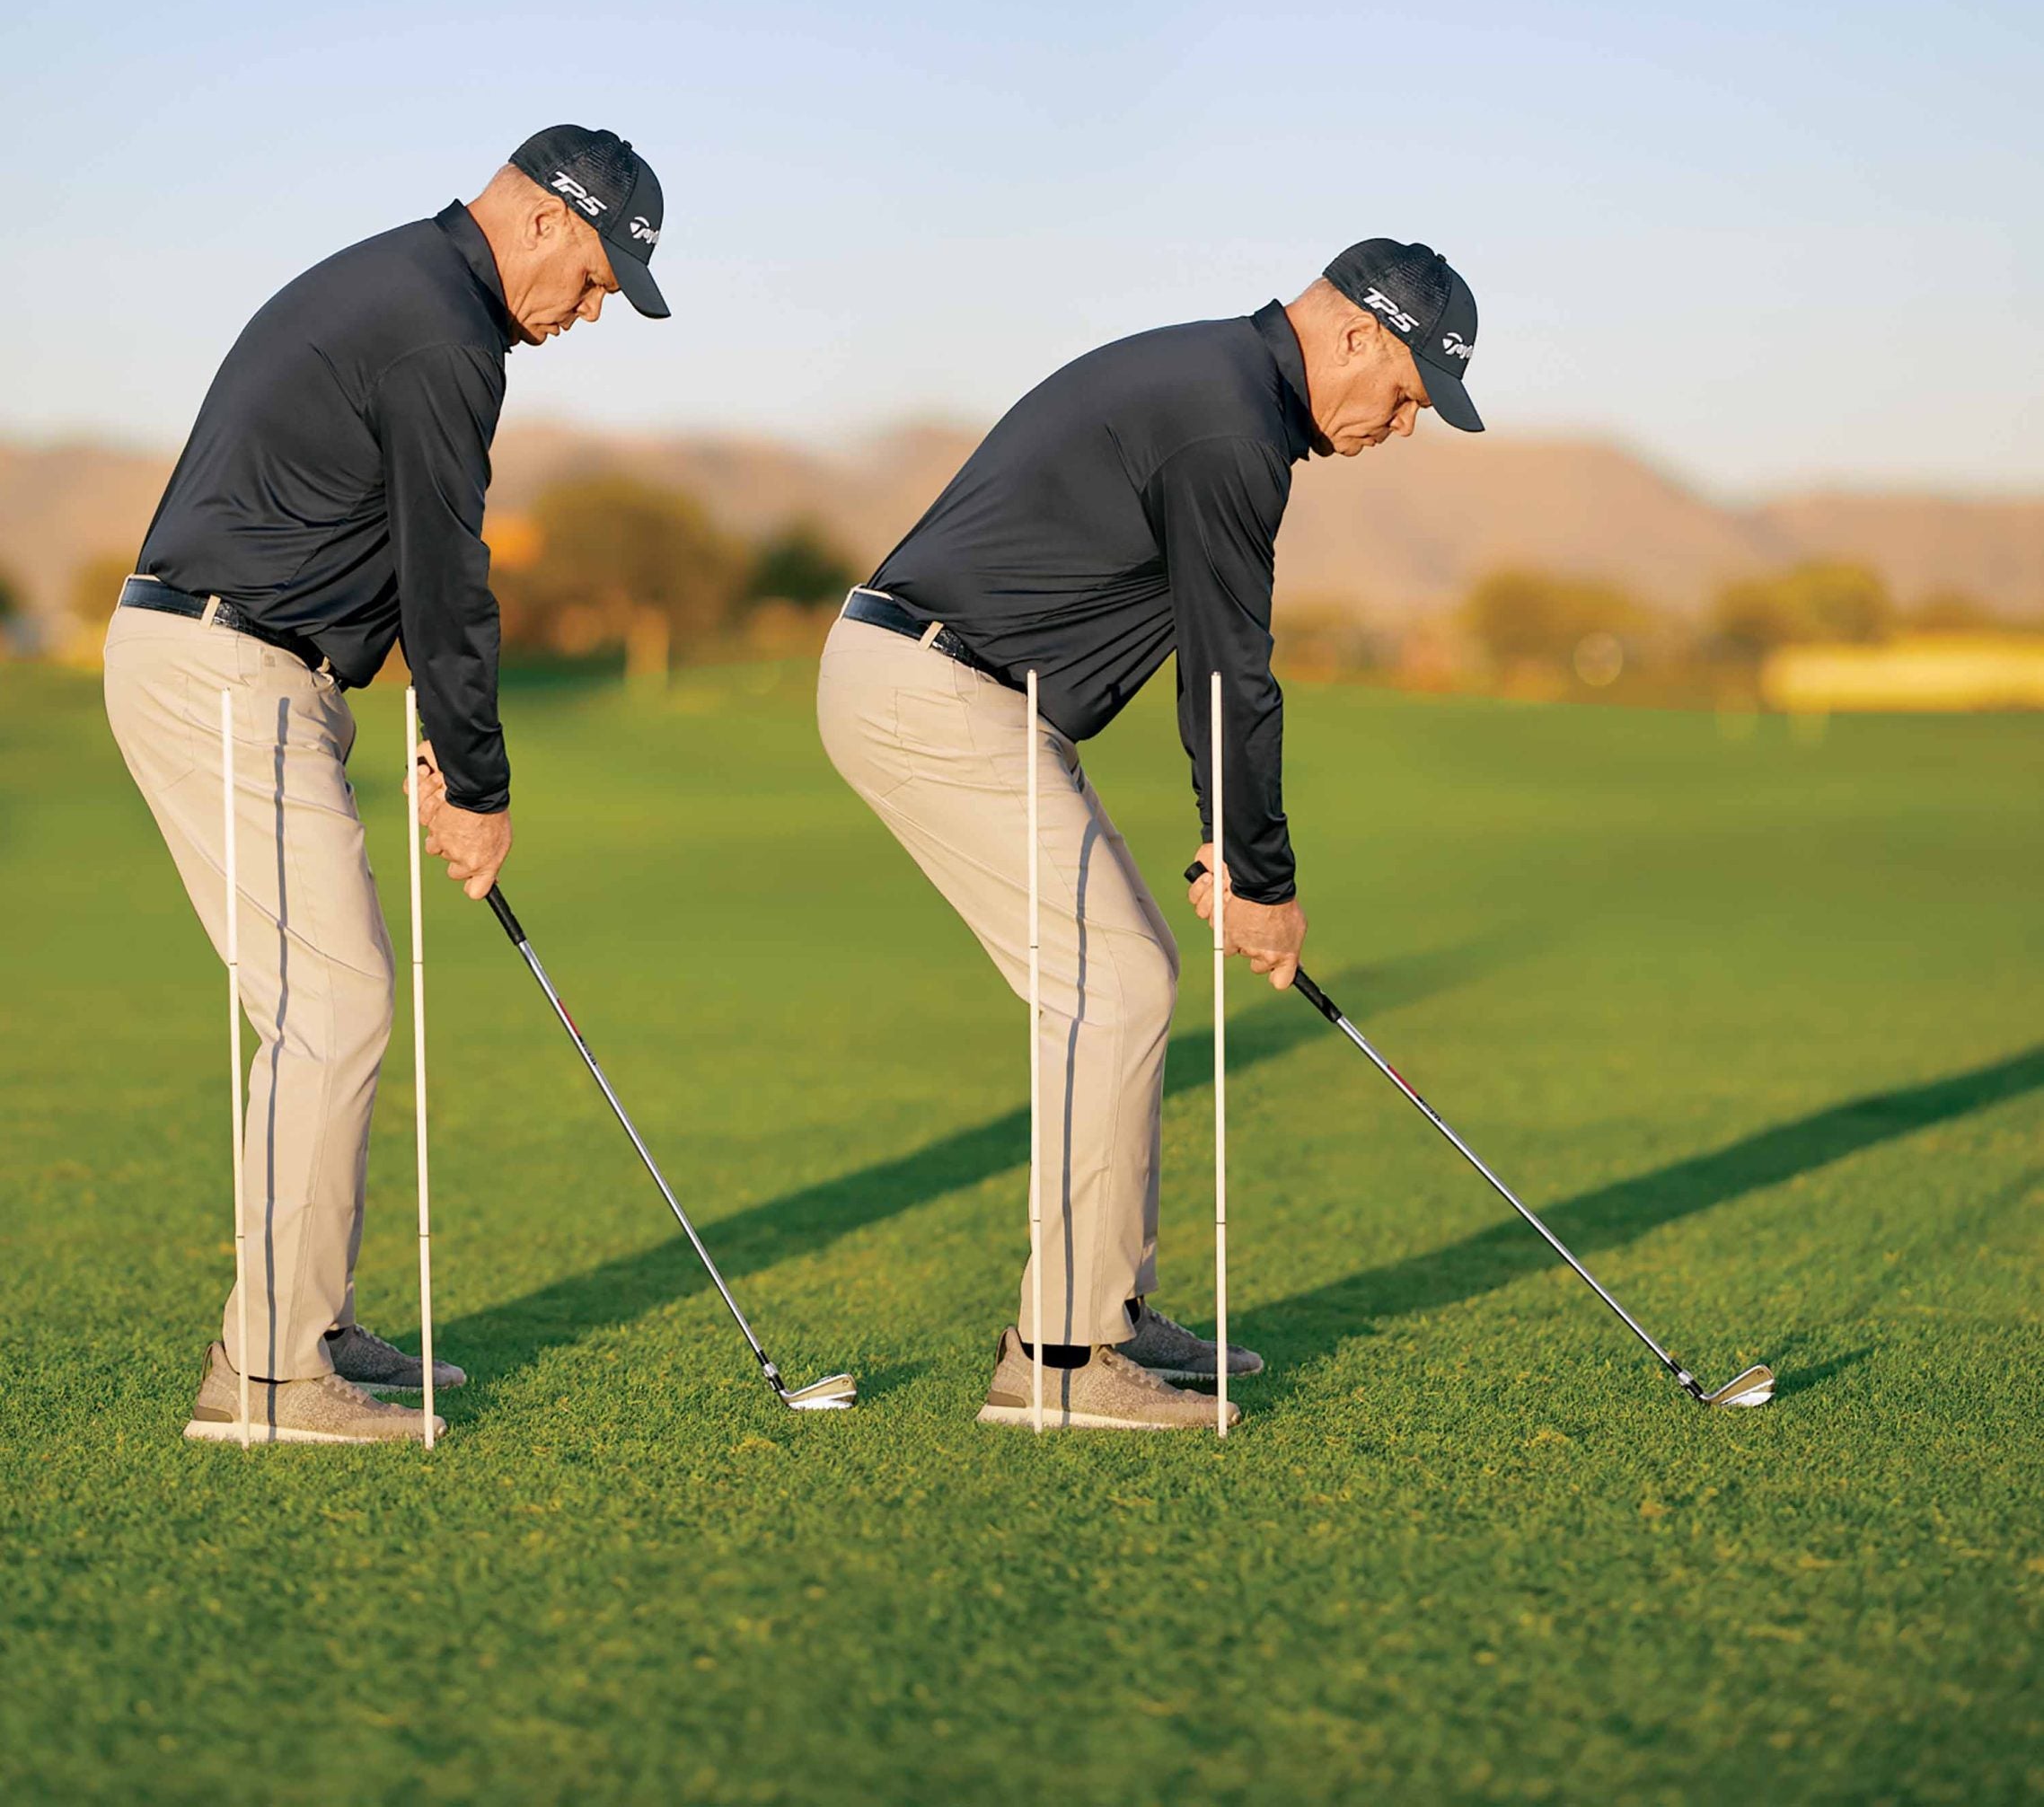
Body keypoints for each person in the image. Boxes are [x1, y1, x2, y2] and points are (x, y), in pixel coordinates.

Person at [818, 239, 1484, 1430]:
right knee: (1111, 986)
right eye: (1406, 392)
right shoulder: (1227, 425)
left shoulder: (1224, 392)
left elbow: (1198, 659)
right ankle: (1063, 1365)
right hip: (931, 683)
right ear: (1354, 336)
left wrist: (1228, 847)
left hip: (949, 683)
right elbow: (1231, 674)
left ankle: (1104, 1311)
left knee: (1125, 978)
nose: (1403, 423)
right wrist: (1263, 878)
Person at [103, 126, 670, 1446]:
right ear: (538, 220)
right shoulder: (442, 335)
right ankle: (272, 1377)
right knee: (336, 1003)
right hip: (223, 666)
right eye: (591, 278)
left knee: (332, 1002)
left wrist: (417, 718)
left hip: (249, 662)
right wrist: (477, 780)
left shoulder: (414, 293)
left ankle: (313, 1326)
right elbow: (446, 568)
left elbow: (369, 534)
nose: (588, 314)